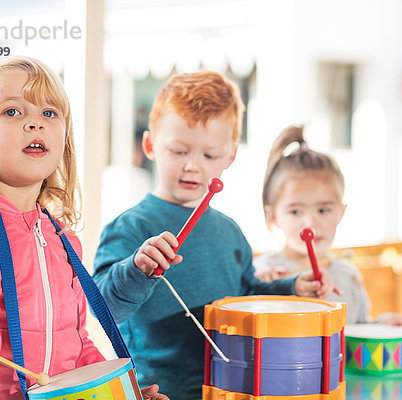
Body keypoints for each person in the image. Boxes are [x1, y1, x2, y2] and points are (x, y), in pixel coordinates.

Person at [93, 71, 335, 399]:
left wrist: (291, 289)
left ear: (230, 156)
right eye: (179, 151)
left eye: (209, 156)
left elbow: (247, 295)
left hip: (230, 389)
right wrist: (137, 268)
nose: (193, 166)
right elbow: (102, 309)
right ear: (150, 145)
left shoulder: (229, 231)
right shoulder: (130, 228)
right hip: (155, 391)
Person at [0, 56, 168, 399]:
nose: (35, 124)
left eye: (49, 113)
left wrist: (120, 394)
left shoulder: (64, 239)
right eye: (13, 112)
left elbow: (76, 344)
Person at [255, 125, 402, 325]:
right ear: (273, 216)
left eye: (323, 210)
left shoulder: (348, 274)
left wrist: (378, 326)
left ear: (341, 213)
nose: (310, 223)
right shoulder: (263, 272)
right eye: (295, 211)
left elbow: (354, 330)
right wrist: (259, 292)